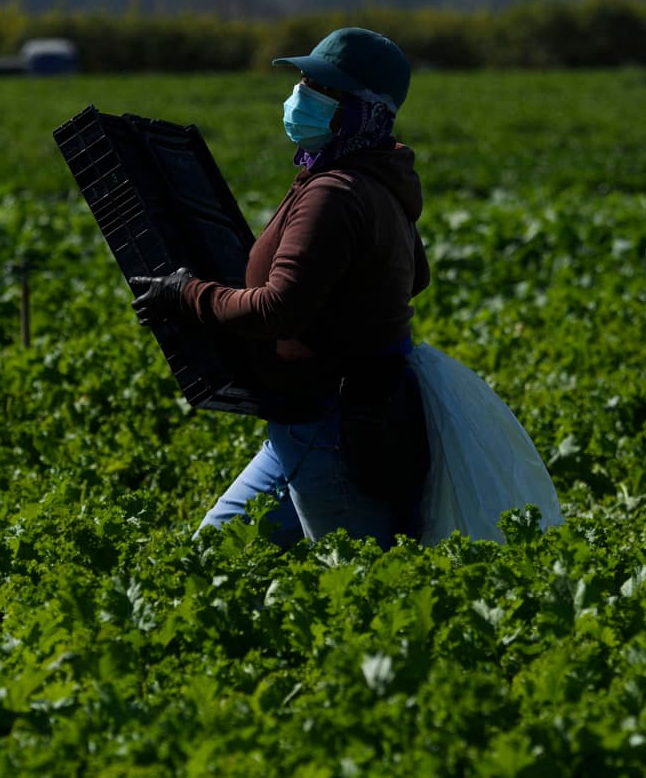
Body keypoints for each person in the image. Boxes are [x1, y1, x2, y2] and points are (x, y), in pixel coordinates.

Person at [129, 27, 432, 550]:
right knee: (212, 560)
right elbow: (416, 276)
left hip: (333, 426)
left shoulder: (336, 193)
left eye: (322, 88)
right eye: (303, 81)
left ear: (361, 110)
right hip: (316, 418)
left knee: (364, 589)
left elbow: (279, 311)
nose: (300, 96)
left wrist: (186, 295)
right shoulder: (380, 176)